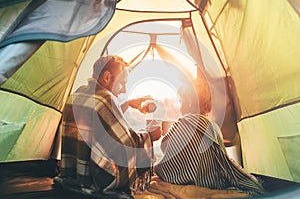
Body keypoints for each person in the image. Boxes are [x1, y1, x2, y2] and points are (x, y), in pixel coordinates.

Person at [54, 55, 162, 198]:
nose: (123, 90)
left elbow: (101, 123)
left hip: (74, 174)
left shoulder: (78, 94)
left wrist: (127, 104)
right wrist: (149, 136)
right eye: (122, 83)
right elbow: (126, 145)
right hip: (97, 181)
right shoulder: (105, 99)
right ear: (106, 77)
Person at [154, 79, 265, 196]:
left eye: (181, 101)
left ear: (190, 102)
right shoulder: (213, 125)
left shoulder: (184, 123)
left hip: (193, 182)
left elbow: (167, 162)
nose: (180, 107)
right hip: (216, 182)